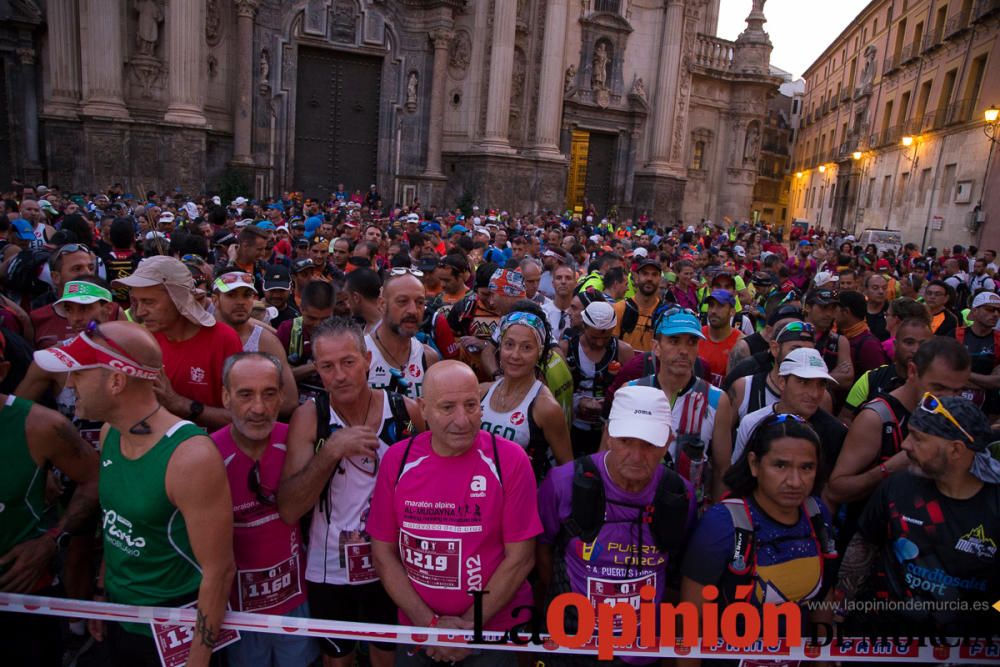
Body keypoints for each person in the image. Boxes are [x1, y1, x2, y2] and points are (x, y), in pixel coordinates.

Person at [34, 321, 234, 667]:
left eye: (79, 374)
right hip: (118, 617)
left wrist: (197, 661)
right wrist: (101, 596)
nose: (69, 384)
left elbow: (219, 571)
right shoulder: (112, 432)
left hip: (172, 631)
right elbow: (118, 525)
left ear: (116, 380)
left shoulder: (190, 457)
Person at [368, 361, 541, 666]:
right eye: (447, 407)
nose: (462, 420)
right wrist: (430, 626)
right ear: (423, 409)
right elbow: (383, 553)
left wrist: (468, 628)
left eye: (471, 405)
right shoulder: (398, 460)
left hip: (491, 634)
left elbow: (522, 558)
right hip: (419, 632)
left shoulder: (510, 460)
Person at [278, 317, 423, 667]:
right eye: (327, 366)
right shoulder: (311, 417)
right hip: (330, 567)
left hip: (394, 566)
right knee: (337, 660)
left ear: (367, 360)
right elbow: (289, 509)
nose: (339, 375)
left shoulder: (405, 411)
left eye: (348, 362)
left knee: (386, 657)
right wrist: (330, 451)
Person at [537, 385, 696, 666]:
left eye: (649, 444)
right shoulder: (563, 483)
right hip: (572, 645)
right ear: (608, 435)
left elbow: (679, 565)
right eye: (626, 441)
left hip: (642, 652)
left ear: (668, 440)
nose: (636, 456)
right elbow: (543, 549)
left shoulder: (680, 494)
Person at [835, 394, 1000, 638]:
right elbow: (863, 547)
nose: (905, 445)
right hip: (886, 639)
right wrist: (838, 615)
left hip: (970, 648)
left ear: (956, 450)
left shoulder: (994, 505)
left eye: (919, 439)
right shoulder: (897, 487)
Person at [680, 414, 835, 667]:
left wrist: (823, 660)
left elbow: (824, 594)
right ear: (754, 464)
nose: (795, 481)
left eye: (806, 467)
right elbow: (690, 619)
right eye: (780, 466)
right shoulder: (722, 523)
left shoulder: (817, 514)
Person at [211, 353, 320, 667]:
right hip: (236, 612)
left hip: (295, 601)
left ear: (282, 397)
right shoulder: (207, 456)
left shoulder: (297, 443)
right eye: (245, 394)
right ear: (225, 396)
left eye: (269, 394)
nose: (258, 408)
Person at [0, 330, 100, 667]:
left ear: (2, 373)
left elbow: (96, 478)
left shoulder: (40, 427)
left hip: (21, 593)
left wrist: (51, 541)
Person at [828, 337, 971, 543]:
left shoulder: (956, 418)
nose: (948, 399)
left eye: (958, 391)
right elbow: (836, 490)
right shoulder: (876, 418)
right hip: (875, 543)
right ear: (913, 372)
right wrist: (888, 469)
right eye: (938, 388)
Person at [114, 256, 243, 429]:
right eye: (137, 302)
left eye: (149, 302)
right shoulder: (145, 341)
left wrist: (180, 404)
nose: (140, 312)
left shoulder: (223, 339)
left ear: (179, 300)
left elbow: (242, 416)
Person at [629, 307, 723, 506]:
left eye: (692, 342)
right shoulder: (631, 392)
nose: (683, 350)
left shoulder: (717, 400)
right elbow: (608, 455)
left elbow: (722, 470)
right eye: (674, 341)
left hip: (688, 513)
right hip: (635, 509)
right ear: (656, 347)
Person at [480, 311, 572, 482]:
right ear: (500, 348)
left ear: (539, 352)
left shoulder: (546, 408)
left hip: (519, 502)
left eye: (527, 347)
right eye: (509, 345)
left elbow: (566, 468)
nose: (515, 355)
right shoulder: (481, 392)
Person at [731, 347, 847, 471]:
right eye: (804, 382)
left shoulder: (835, 433)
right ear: (782, 382)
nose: (814, 393)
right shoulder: (752, 423)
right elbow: (739, 478)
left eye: (821, 384)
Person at [211, 271, 298, 415]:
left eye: (246, 295)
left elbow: (290, 401)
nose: (240, 302)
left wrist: (253, 413)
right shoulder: (200, 334)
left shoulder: (266, 342)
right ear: (215, 300)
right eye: (231, 295)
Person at [561, 300, 635, 456]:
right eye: (593, 337)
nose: (600, 342)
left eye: (606, 337)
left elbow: (633, 392)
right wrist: (578, 402)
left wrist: (608, 404)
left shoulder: (624, 351)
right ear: (584, 326)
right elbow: (557, 390)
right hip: (571, 429)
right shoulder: (566, 349)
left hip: (608, 431)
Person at [841, 316, 933, 420]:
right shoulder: (871, 379)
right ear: (895, 345)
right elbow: (845, 419)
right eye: (909, 342)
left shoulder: (939, 383)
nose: (916, 350)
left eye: (923, 344)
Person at [366, 270, 439, 399]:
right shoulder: (361, 354)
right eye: (402, 301)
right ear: (382, 305)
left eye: (420, 303)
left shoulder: (428, 357)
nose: (413, 311)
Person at [276, 279, 335, 401]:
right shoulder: (287, 329)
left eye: (325, 319)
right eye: (312, 318)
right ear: (301, 309)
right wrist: (318, 365)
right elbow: (277, 377)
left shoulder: (342, 334)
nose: (318, 325)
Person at [956, 291, 1000, 416]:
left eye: (998, 310)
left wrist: (962, 375)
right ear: (974, 311)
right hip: (955, 404)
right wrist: (985, 381)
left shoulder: (998, 340)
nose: (996, 314)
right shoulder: (956, 335)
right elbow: (943, 374)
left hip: (989, 408)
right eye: (990, 309)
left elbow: (997, 382)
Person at [803, 288, 853, 389]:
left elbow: (847, 379)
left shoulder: (839, 341)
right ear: (808, 307)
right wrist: (830, 376)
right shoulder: (791, 334)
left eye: (832, 308)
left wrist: (806, 381)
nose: (829, 314)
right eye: (823, 307)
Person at [835, 290, 887, 377]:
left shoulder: (869, 345)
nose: (831, 313)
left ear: (846, 312)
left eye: (834, 309)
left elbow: (878, 380)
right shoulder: (839, 336)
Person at [698, 289, 742, 387]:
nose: (713, 311)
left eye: (720, 306)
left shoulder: (741, 343)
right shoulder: (697, 336)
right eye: (711, 305)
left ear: (732, 312)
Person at [542, 263, 576, 342]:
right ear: (553, 283)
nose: (563, 282)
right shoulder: (543, 312)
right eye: (559, 278)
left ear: (575, 283)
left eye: (568, 278)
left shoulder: (580, 314)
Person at [864, 273, 890, 342]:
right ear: (866, 290)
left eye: (884, 288)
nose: (881, 291)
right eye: (875, 288)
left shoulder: (892, 312)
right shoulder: (857, 310)